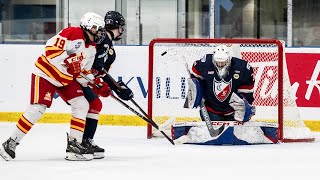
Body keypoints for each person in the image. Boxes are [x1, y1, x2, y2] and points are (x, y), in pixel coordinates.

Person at [0, 12, 110, 161]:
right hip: (46, 73)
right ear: (88, 27)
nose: (100, 33)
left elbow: (81, 73)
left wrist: (95, 84)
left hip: (65, 79)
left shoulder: (91, 48)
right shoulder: (72, 33)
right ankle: (10, 142)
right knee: (37, 108)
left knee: (82, 104)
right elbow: (50, 50)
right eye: (98, 29)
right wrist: (68, 59)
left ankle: (74, 145)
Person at [174, 45, 262, 145]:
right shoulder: (205, 63)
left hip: (232, 112)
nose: (220, 64)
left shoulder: (242, 68)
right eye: (218, 62)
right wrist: (196, 88)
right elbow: (196, 73)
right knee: (217, 126)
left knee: (240, 121)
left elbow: (248, 94)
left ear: (229, 59)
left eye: (223, 62)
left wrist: (244, 104)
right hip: (211, 110)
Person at [80, 11, 133, 159]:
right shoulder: (101, 39)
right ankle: (81, 142)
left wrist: (117, 88)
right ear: (119, 27)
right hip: (80, 76)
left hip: (86, 78)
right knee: (90, 105)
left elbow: (101, 72)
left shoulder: (108, 47)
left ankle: (84, 141)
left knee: (93, 105)